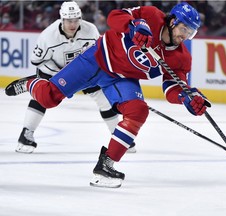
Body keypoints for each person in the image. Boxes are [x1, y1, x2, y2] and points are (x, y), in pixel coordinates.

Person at [5, 2, 211, 188]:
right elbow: (114, 16)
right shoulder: (151, 15)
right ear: (172, 21)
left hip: (121, 78)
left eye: (190, 33)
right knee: (48, 98)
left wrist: (186, 98)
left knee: (138, 111)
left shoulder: (181, 58)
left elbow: (173, 88)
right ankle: (32, 83)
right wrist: (134, 25)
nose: (185, 36)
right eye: (184, 29)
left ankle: (105, 166)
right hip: (96, 59)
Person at [10, 1, 136, 154]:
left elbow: (100, 52)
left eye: (76, 20)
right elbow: (36, 61)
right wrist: (60, 75)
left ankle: (120, 138)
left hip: (83, 71)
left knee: (103, 99)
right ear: (62, 19)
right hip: (54, 71)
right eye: (69, 20)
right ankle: (26, 134)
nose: (73, 24)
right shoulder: (48, 36)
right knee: (43, 97)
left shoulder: (90, 30)